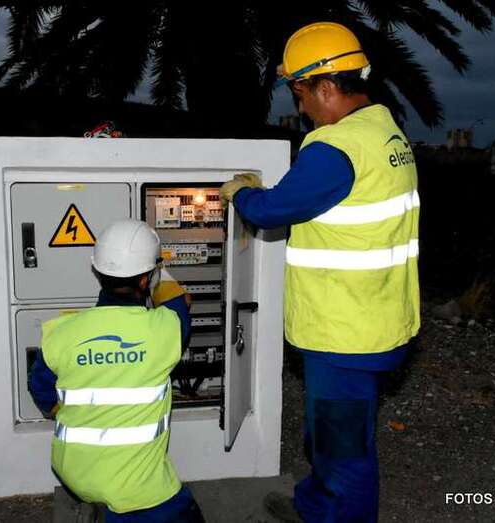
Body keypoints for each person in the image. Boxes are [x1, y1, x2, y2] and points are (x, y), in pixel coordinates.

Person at [220, 21, 420, 523]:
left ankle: (336, 513)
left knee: (344, 450)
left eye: (301, 92)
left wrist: (239, 192)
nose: (300, 106)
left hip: (345, 333)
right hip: (377, 318)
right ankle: (314, 505)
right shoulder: (385, 131)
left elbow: (269, 212)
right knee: (331, 434)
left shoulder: (335, 149)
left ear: (327, 87)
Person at [27, 219, 205, 523]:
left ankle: (99, 504)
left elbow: (40, 388)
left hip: (74, 471)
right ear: (145, 281)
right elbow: (181, 300)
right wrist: (158, 271)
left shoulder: (63, 332)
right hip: (136, 487)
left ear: (97, 272)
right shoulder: (164, 329)